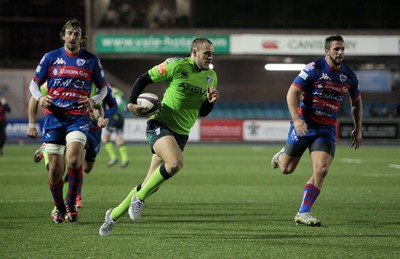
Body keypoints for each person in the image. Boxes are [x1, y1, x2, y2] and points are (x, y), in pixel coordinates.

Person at [99, 37, 219, 236]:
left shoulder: (211, 76)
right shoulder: (175, 65)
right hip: (161, 124)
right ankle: (139, 199)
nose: (210, 57)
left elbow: (203, 111)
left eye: (212, 54)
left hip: (181, 134)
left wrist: (210, 101)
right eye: (207, 53)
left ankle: (112, 216)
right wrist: (130, 103)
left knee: (149, 184)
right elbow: (143, 79)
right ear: (194, 52)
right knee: (175, 163)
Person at [270, 35, 363, 226]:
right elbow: (292, 92)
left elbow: (356, 102)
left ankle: (304, 212)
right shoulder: (313, 68)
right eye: (336, 49)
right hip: (305, 125)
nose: (340, 52)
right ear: (326, 51)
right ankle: (281, 156)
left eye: (342, 49)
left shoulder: (349, 76)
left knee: (321, 170)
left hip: (326, 129)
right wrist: (296, 119)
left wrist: (358, 127)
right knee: (287, 169)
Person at [29, 18, 108, 223]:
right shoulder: (51, 57)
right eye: (70, 33)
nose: (73, 37)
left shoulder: (91, 60)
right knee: (55, 170)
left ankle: (72, 203)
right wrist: (40, 97)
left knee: (74, 159)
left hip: (78, 118)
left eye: (77, 34)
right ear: (63, 35)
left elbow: (103, 88)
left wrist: (93, 100)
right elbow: (34, 84)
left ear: (82, 39)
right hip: (54, 118)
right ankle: (59, 207)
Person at [27, 83, 117, 208]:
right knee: (66, 165)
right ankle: (70, 201)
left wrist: (100, 117)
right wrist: (32, 124)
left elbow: (109, 106)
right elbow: (35, 95)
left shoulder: (100, 84)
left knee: (87, 168)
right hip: (73, 125)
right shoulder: (61, 77)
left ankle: (46, 150)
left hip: (94, 129)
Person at [102, 86, 129, 168]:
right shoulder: (118, 92)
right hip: (120, 117)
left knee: (105, 137)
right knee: (118, 137)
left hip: (114, 116)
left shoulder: (107, 90)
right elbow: (123, 105)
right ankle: (125, 159)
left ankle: (113, 157)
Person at [0, 92, 11, 156]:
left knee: (3, 137)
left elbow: (9, 110)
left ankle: (1, 148)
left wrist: (5, 104)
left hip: (2, 122)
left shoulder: (3, 104)